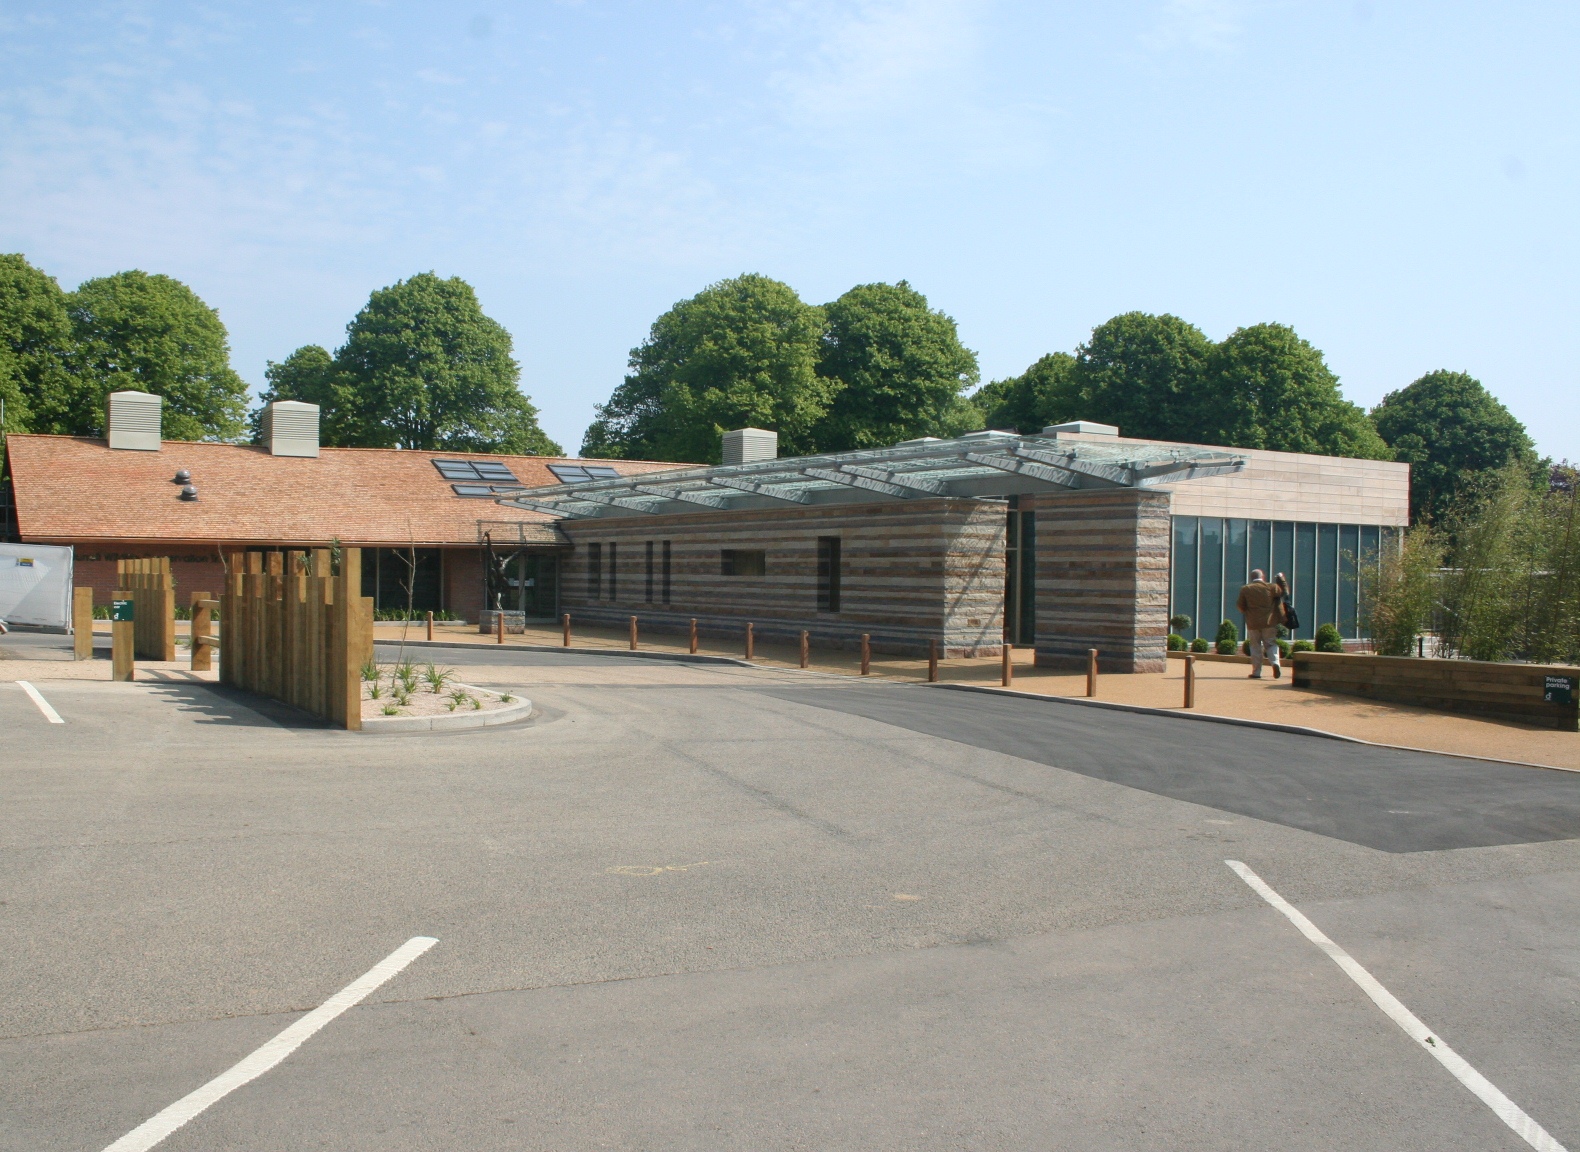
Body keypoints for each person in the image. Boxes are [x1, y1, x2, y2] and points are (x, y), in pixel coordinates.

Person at [1235, 568, 1282, 679]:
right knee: (1271, 643)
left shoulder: (1246, 589)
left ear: (1251, 578)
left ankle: (1256, 672)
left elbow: (1240, 605)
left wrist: (1247, 611)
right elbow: (1282, 592)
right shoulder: (1271, 587)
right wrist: (1281, 579)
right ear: (1263, 577)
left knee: (1255, 646)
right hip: (1269, 622)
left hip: (1253, 622)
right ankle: (1275, 663)